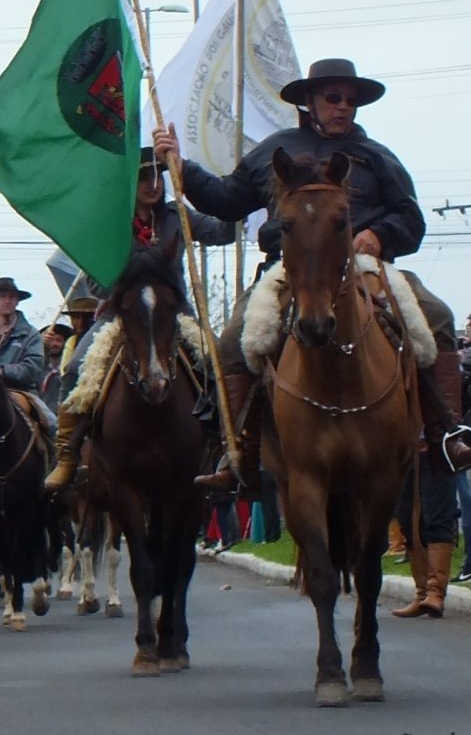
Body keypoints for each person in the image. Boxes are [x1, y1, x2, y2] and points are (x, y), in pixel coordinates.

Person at [156, 58, 471, 495]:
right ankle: (238, 454)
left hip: (366, 266)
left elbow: (410, 219)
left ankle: (446, 434)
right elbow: (227, 200)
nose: (344, 107)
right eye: (333, 97)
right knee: (232, 340)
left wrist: (378, 235)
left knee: (436, 315)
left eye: (351, 100)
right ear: (309, 101)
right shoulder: (272, 151)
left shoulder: (378, 156)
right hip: (289, 269)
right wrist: (181, 165)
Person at [43, 147, 236, 491]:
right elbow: (93, 281)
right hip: (123, 314)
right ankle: (68, 455)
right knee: (75, 368)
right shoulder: (111, 225)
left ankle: (226, 445)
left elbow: (223, 232)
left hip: (174, 315)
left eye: (156, 177)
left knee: (218, 362)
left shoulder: (177, 216)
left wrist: (236, 205)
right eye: (143, 178)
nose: (152, 185)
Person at [0, 278, 48, 393]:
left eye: (11, 296)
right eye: (2, 296)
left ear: (17, 301)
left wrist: (3, 371)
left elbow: (33, 368)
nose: (7, 300)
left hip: (20, 391)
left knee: (40, 410)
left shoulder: (31, 333)